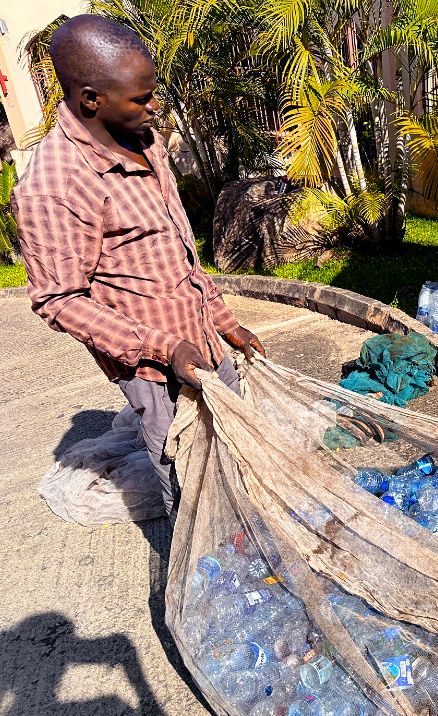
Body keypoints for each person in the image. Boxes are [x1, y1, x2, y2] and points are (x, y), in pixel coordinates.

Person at [13, 15, 265, 520]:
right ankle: (203, 568)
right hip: (152, 365)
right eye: (141, 98)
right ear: (91, 99)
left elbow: (177, 250)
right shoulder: (55, 186)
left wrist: (224, 322)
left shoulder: (142, 140)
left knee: (236, 451)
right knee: (186, 474)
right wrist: (163, 348)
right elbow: (58, 300)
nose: (154, 108)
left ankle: (248, 532)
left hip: (202, 339)